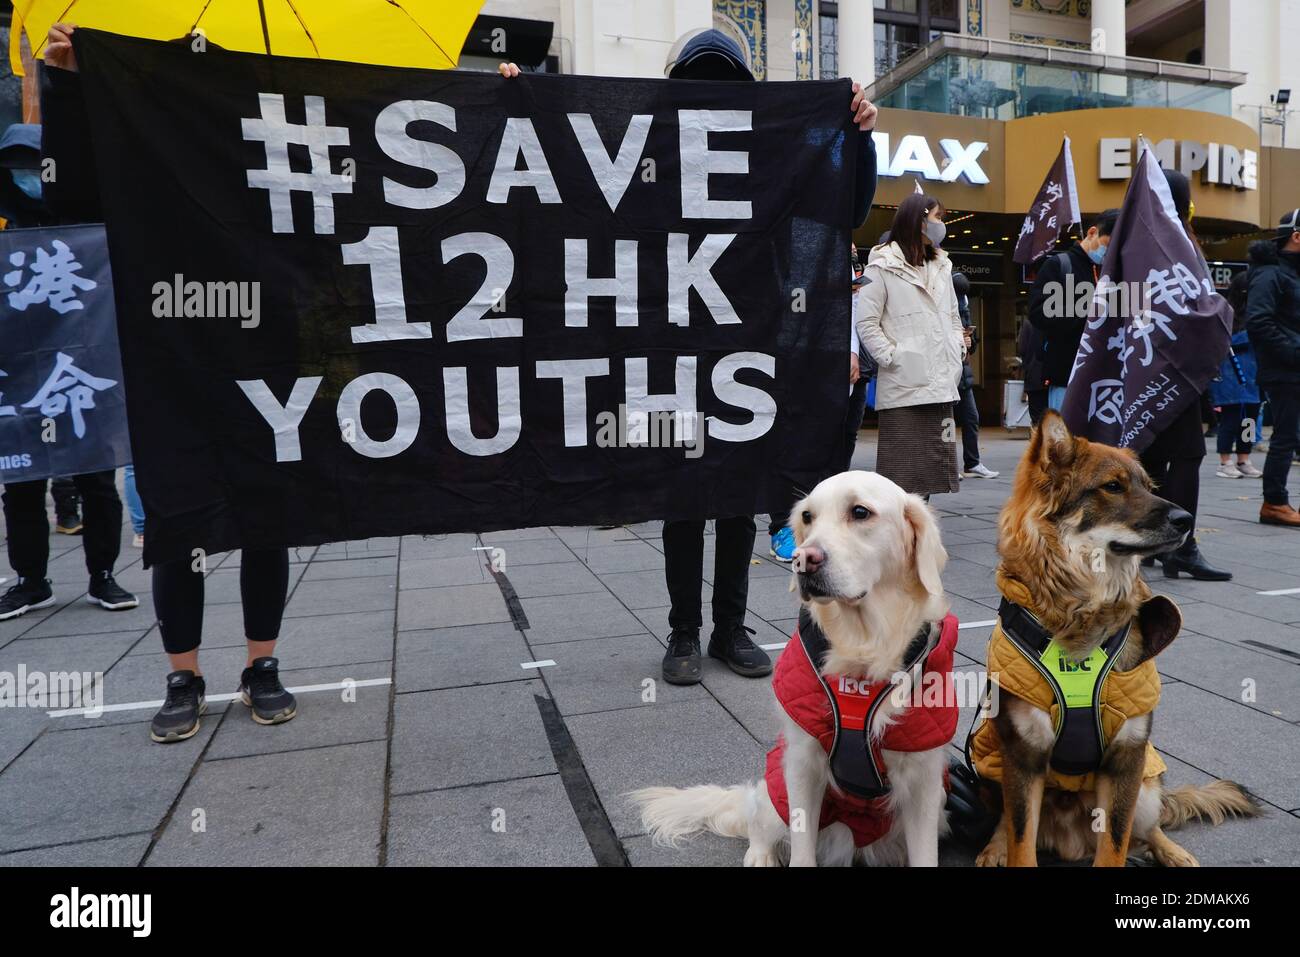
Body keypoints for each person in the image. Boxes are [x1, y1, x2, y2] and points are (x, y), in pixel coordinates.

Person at [504, 32, 878, 684]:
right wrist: (519, 106)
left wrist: (860, 136)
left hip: (745, 349)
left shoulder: (770, 150)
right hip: (672, 351)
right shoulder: (644, 147)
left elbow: (843, 202)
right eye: (699, 81)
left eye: (725, 84)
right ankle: (683, 629)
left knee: (737, 495)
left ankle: (729, 627)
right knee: (684, 496)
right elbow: (569, 189)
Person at [40, 22, 297, 741]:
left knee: (264, 515)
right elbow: (71, 205)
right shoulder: (137, 145)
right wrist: (63, 86)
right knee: (177, 520)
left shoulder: (267, 133)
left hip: (260, 354)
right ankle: (182, 674)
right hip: (170, 362)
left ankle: (262, 664)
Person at [1140, 170, 1230, 579]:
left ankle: (1153, 542)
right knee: (1188, 454)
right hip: (1178, 366)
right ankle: (1182, 545)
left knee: (1155, 455)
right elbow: (1195, 302)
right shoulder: (1176, 240)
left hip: (1146, 367)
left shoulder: (1139, 234)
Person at [856, 193, 964, 499]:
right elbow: (866, 323)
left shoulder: (942, 264)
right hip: (905, 387)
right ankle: (898, 543)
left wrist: (958, 348)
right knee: (900, 482)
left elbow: (953, 317)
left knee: (929, 479)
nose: (941, 224)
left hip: (941, 384)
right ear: (919, 220)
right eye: (938, 217)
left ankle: (919, 542)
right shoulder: (881, 265)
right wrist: (894, 357)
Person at [1027, 209, 1119, 412]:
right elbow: (1037, 312)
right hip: (1066, 374)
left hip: (1105, 378)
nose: (1110, 253)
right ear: (1092, 232)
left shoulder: (1112, 272)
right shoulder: (1059, 265)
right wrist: (1085, 309)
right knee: (1066, 441)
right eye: (1108, 246)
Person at [1246, 208, 1300, 528]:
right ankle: (1275, 502)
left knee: (1289, 435)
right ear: (1296, 236)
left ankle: (1277, 500)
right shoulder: (1270, 272)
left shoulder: (1292, 272)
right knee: (1286, 436)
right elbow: (1258, 321)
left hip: (1291, 366)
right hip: (1284, 369)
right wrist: (1295, 353)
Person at [1211, 272, 1262, 479]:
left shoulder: (1258, 312)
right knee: (1231, 420)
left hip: (1253, 376)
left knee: (1249, 419)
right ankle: (1225, 461)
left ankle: (1243, 458)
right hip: (1232, 374)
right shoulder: (1227, 313)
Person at [952, 271, 998, 479]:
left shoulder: (964, 304)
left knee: (971, 418)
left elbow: (973, 343)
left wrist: (969, 342)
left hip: (964, 373)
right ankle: (949, 464)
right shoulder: (943, 300)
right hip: (947, 372)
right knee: (947, 422)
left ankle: (973, 462)